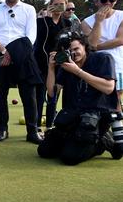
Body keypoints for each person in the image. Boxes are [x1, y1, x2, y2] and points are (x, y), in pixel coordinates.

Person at [38, 32, 122, 164]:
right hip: (73, 116)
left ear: (84, 46)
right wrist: (51, 68)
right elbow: (52, 93)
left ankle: (102, 140)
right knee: (44, 151)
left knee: (69, 158)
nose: (73, 53)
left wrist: (77, 71)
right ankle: (76, 142)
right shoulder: (66, 65)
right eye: (69, 51)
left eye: (76, 49)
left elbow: (108, 88)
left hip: (95, 117)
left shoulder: (103, 58)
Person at [0, 0, 42, 144]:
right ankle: (3, 129)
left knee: (29, 95)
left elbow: (31, 36)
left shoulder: (29, 9)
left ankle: (32, 132)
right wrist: (4, 51)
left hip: (23, 56)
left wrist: (14, 53)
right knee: (0, 95)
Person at [81, 0, 123, 111]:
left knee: (116, 97)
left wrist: (96, 47)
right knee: (96, 98)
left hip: (117, 64)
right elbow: (91, 42)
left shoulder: (121, 16)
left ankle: (118, 130)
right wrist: (98, 21)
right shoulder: (87, 22)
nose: (108, 3)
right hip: (96, 65)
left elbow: (120, 40)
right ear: (96, 2)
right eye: (104, 0)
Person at [33, 0, 71, 131]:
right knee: (39, 96)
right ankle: (36, 126)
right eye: (56, 4)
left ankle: (50, 126)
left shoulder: (67, 23)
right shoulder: (41, 22)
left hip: (59, 64)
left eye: (62, 4)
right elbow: (41, 38)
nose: (59, 7)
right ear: (50, 4)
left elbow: (66, 42)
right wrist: (48, 17)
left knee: (53, 96)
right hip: (41, 63)